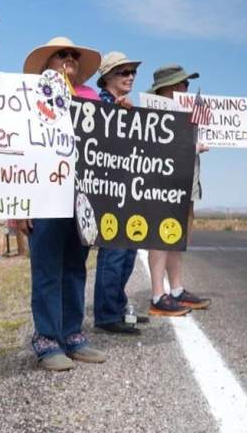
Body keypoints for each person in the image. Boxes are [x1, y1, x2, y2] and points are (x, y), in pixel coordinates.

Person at [14, 37, 107, 371]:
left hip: (81, 198)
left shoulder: (92, 98)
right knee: (47, 267)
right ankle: (47, 339)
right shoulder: (29, 99)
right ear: (47, 64)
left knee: (74, 267)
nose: (70, 58)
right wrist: (19, 205)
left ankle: (72, 334)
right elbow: (20, 150)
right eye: (62, 54)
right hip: (43, 194)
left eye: (73, 55)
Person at [145, 65, 212, 315]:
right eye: (181, 85)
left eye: (186, 84)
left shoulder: (188, 113)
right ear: (167, 89)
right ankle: (157, 295)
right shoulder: (151, 114)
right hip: (162, 186)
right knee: (160, 237)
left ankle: (176, 290)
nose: (186, 88)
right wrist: (192, 149)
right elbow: (155, 149)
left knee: (177, 237)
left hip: (186, 183)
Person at [93, 51, 147, 335]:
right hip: (108, 188)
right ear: (106, 78)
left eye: (132, 72)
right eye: (123, 72)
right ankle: (105, 314)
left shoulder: (127, 108)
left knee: (128, 250)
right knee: (113, 251)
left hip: (128, 186)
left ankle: (116, 306)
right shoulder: (97, 105)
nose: (130, 77)